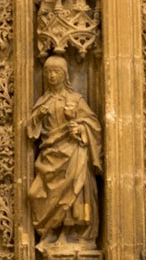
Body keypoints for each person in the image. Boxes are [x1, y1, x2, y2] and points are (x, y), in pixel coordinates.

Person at [27, 56, 103, 245]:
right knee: (36, 194)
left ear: (65, 75)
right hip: (50, 154)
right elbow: (31, 132)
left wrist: (80, 129)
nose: (52, 76)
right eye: (48, 72)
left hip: (72, 153)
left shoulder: (75, 99)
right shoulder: (43, 101)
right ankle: (51, 231)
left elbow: (94, 125)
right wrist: (37, 117)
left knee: (73, 195)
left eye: (56, 72)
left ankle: (70, 234)